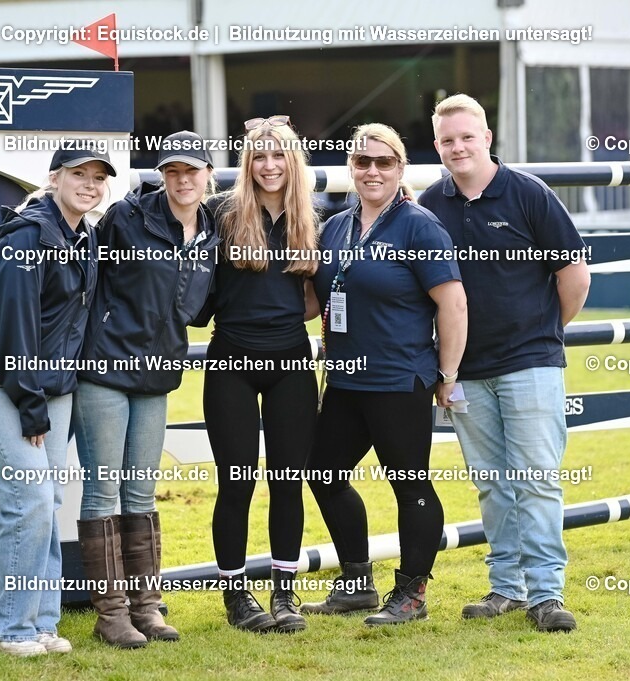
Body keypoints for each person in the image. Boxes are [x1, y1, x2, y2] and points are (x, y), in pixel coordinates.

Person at [418, 93, 590, 632]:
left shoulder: (529, 194)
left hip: (531, 362)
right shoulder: (429, 204)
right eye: (448, 140)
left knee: (536, 478)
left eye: (467, 136)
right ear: (438, 146)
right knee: (492, 483)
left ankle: (546, 593)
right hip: (464, 371)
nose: (458, 147)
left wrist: (541, 333)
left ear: (487, 138)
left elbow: (574, 275)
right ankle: (506, 587)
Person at [302, 123, 468, 626]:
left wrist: (447, 375)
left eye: (383, 162)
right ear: (351, 169)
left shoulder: (419, 226)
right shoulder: (336, 226)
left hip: (400, 379)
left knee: (409, 484)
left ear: (400, 169)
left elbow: (453, 304)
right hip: (346, 382)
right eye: (362, 162)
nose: (372, 171)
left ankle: (412, 593)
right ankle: (357, 584)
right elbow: (314, 301)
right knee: (322, 473)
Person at [0, 144, 113, 656]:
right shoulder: (26, 233)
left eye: (97, 178)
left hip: (53, 387)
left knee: (49, 503)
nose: (89, 185)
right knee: (28, 500)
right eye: (78, 175)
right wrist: (31, 405)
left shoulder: (84, 235)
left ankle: (42, 624)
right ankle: (6, 629)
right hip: (0, 383)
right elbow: (13, 329)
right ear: (53, 178)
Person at [72, 130, 219, 648]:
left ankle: (147, 607)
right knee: (104, 487)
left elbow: (200, 307)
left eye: (192, 171)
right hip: (105, 366)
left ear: (208, 174)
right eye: (173, 171)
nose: (182, 180)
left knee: (140, 488)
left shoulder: (213, 227)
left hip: (157, 372)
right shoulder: (127, 217)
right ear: (162, 175)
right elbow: (85, 278)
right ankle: (111, 613)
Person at [201, 115, 319, 633]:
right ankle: (235, 596)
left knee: (289, 481)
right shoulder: (220, 214)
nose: (269, 166)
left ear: (292, 162)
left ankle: (285, 594)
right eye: (259, 156)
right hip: (231, 361)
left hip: (291, 361)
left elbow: (319, 295)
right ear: (247, 163)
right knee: (237, 482)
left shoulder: (314, 217)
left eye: (279, 156)